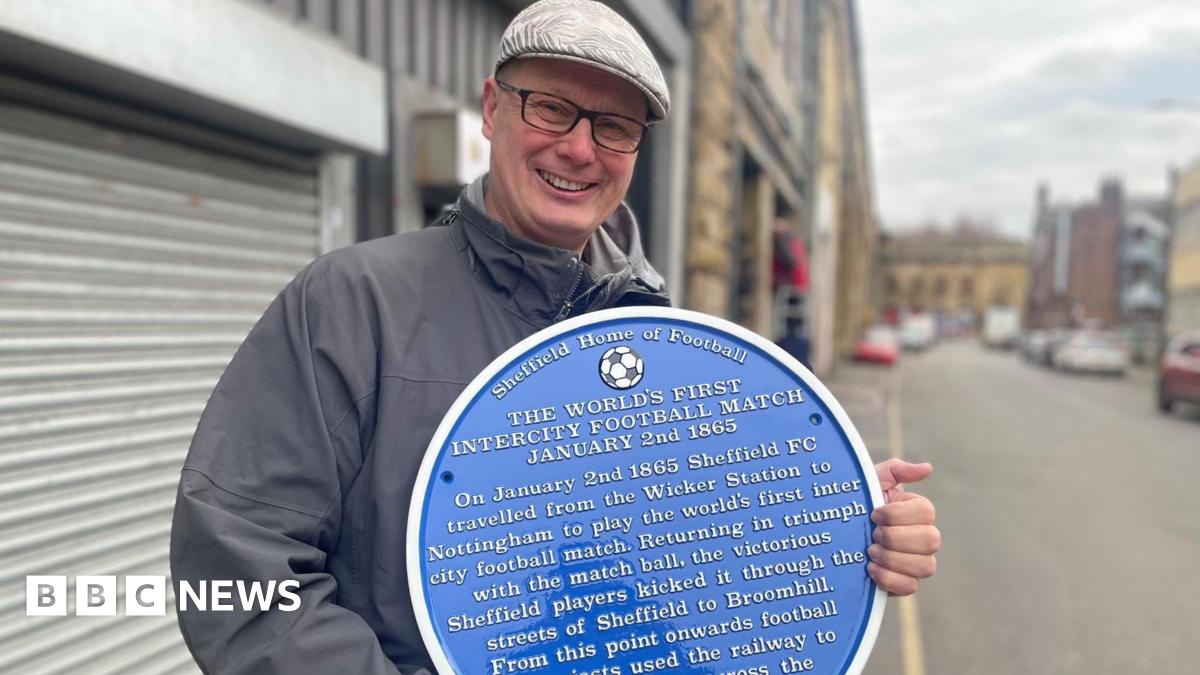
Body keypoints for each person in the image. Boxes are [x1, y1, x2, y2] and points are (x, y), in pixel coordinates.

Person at [170, 1, 940, 672]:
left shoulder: (667, 344)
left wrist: (834, 512)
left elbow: (692, 548)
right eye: (551, 108)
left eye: (615, 126)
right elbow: (239, 572)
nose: (579, 148)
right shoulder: (350, 304)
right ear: (492, 107)